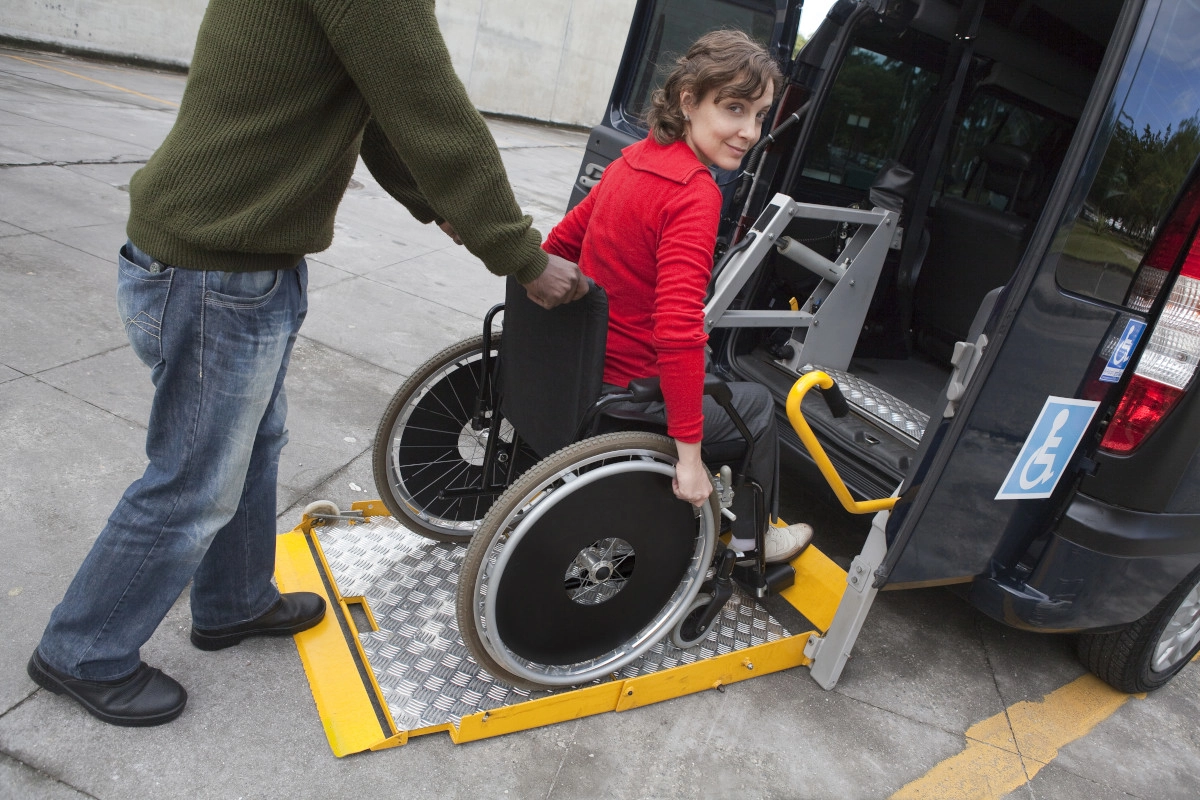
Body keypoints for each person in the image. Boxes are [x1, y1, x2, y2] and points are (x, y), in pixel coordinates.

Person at [27, 0, 587, 728]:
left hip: (235, 262)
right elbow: (430, 111)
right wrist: (517, 253)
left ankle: (233, 602)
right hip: (216, 271)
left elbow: (382, 115)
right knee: (194, 482)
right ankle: (82, 651)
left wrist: (443, 209)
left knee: (255, 447)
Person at [542, 30, 812, 562]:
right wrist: (689, 458)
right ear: (688, 99)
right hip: (628, 395)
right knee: (756, 405)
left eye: (758, 116)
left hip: (578, 370)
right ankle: (755, 541)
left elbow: (558, 247)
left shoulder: (630, 160)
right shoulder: (694, 193)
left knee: (718, 379)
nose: (748, 131)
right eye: (733, 108)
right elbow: (677, 333)